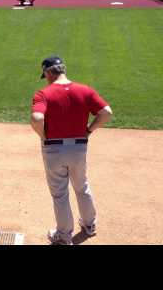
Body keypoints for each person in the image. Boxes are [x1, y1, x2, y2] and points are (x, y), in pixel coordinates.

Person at [30, 56, 113, 245]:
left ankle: (64, 235)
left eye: (45, 75)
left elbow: (36, 118)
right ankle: (89, 225)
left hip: (54, 149)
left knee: (60, 193)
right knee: (82, 186)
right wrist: (89, 130)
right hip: (79, 147)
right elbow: (106, 112)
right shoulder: (85, 90)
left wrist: (43, 136)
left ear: (49, 72)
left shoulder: (43, 94)